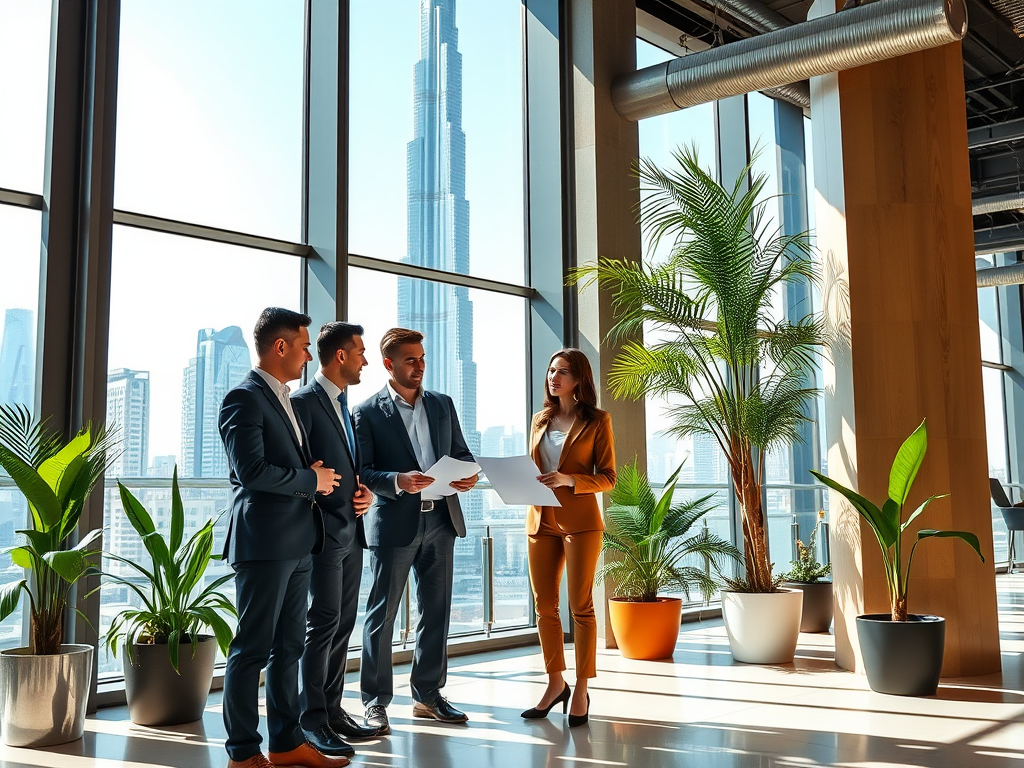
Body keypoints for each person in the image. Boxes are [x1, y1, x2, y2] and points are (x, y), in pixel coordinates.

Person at [218, 307, 350, 768]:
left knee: (289, 646)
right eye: (303, 344)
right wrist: (309, 480)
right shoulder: (244, 398)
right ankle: (243, 752)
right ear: (280, 347)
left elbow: (298, 468)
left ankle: (286, 743)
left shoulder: (286, 399)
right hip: (265, 542)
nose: (308, 353)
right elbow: (249, 471)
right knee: (251, 648)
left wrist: (319, 480)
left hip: (298, 541)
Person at [352, 327, 479, 734]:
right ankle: (374, 701)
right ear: (389, 364)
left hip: (442, 518)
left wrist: (468, 476)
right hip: (394, 522)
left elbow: (461, 451)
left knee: (436, 612)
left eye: (422, 358)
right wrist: (396, 481)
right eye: (411, 360)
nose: (420, 366)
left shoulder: (442, 404)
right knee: (381, 615)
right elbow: (364, 471)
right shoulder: (367, 411)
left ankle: (428, 695)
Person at [292, 322, 383, 758]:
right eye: (361, 352)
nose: (365, 360)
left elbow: (347, 464)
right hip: (323, 534)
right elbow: (298, 469)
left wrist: (360, 491)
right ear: (341, 356)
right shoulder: (303, 403)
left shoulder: (344, 405)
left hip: (352, 528)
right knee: (323, 624)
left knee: (343, 625)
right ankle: (311, 721)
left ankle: (332, 709)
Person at [520, 348, 616, 728]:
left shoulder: (597, 420)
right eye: (550, 370)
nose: (553, 377)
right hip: (539, 519)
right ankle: (554, 682)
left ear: (579, 379)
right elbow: (535, 466)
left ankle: (581, 687)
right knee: (545, 607)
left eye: (561, 372)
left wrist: (569, 479)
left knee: (581, 608)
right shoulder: (539, 419)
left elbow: (608, 477)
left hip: (580, 522)